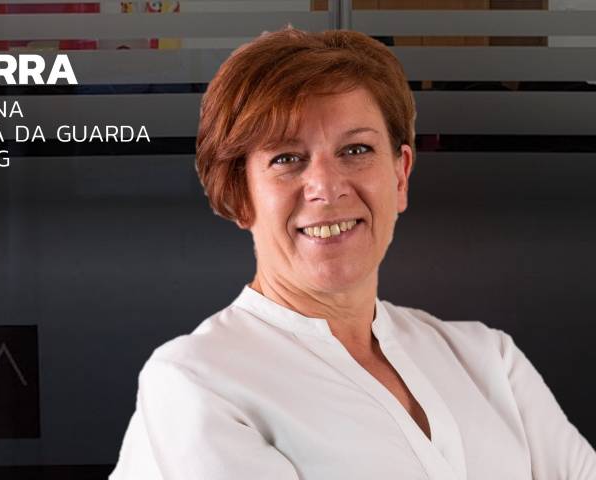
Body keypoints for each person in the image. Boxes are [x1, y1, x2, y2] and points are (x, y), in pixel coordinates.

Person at [109, 27, 596, 479]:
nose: (326, 186)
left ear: (400, 175)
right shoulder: (197, 381)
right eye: (286, 158)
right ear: (240, 195)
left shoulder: (489, 359)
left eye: (356, 150)